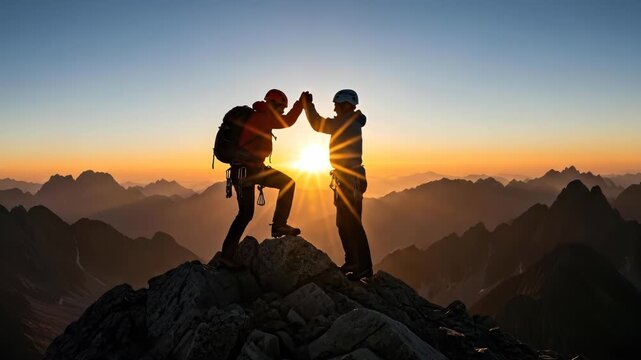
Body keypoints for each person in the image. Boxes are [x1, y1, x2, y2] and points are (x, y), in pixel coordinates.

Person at [214, 89, 303, 269]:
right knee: (287, 183)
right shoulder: (264, 117)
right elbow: (288, 122)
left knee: (245, 214)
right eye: (282, 108)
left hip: (242, 171)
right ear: (274, 105)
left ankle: (226, 255)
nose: (282, 112)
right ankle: (279, 225)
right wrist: (301, 104)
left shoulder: (256, 116)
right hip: (251, 170)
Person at [302, 89, 373, 280]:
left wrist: (308, 105)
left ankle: (363, 268)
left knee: (352, 224)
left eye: (336, 104)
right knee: (344, 223)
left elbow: (318, 124)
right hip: (348, 178)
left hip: (350, 180)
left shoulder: (346, 121)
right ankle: (353, 262)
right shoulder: (351, 121)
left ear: (345, 105)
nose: (334, 108)